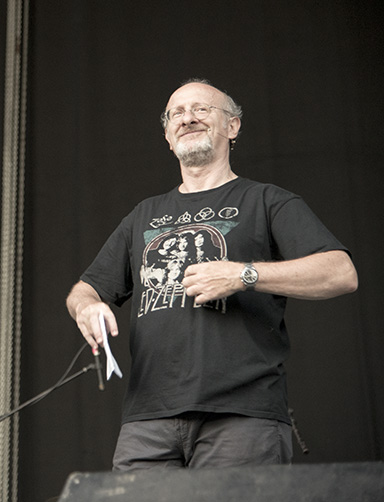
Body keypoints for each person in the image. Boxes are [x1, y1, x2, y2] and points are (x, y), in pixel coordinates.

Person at [66, 78, 357, 471]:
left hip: (242, 415)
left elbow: (340, 272)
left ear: (233, 126)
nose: (188, 119)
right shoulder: (143, 215)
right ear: (168, 137)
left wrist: (244, 274)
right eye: (176, 114)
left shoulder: (267, 200)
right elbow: (86, 289)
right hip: (147, 420)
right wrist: (87, 308)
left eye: (202, 109)